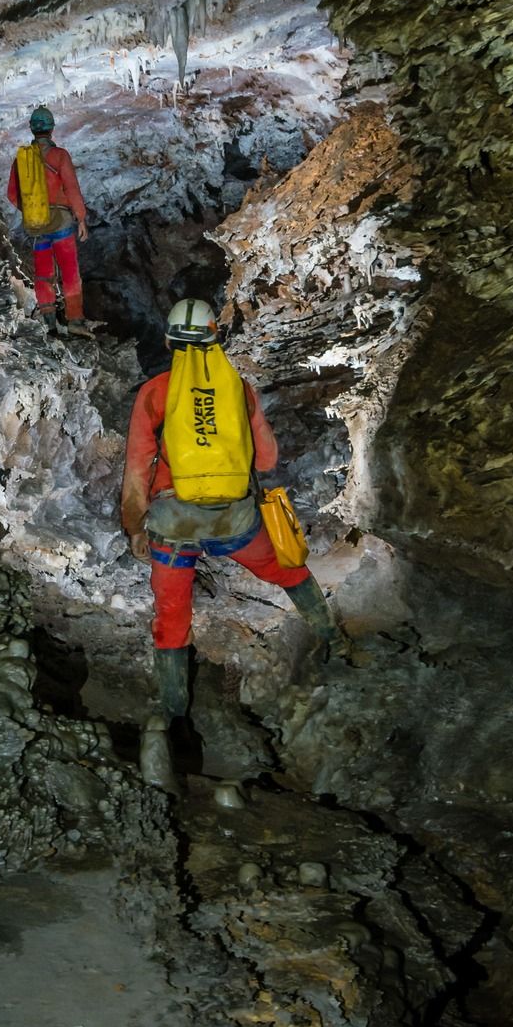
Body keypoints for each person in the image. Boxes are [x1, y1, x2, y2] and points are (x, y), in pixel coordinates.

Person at [120, 297, 347, 777]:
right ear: (213, 338)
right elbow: (266, 459)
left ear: (169, 342)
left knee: (172, 615)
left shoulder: (155, 393)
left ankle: (177, 718)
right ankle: (332, 636)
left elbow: (138, 467)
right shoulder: (236, 388)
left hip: (173, 528)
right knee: (285, 568)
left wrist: (135, 525)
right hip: (233, 521)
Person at [6, 106, 90, 335]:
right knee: (69, 271)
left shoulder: (22, 159)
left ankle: (49, 322)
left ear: (32, 129)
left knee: (43, 273)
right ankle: (75, 321)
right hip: (61, 222)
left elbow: (12, 194)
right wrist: (81, 218)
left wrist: (32, 210)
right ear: (52, 129)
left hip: (37, 225)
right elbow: (72, 188)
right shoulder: (59, 155)